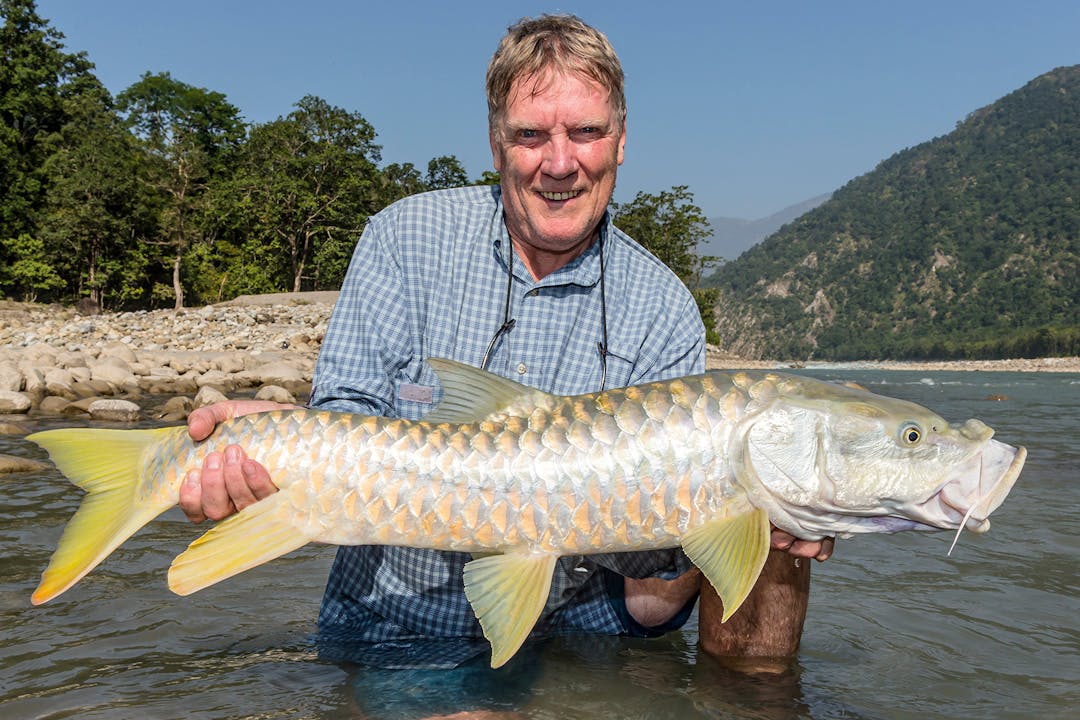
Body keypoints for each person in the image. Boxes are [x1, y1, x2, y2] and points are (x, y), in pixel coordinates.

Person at [180, 13, 832, 679]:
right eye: (530, 136)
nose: (560, 163)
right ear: (496, 145)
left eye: (586, 132)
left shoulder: (664, 307)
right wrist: (274, 450)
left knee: (774, 506)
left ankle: (757, 696)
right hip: (400, 626)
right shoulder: (401, 239)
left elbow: (652, 585)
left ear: (621, 140)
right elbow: (346, 410)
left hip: (582, 633)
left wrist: (727, 515)